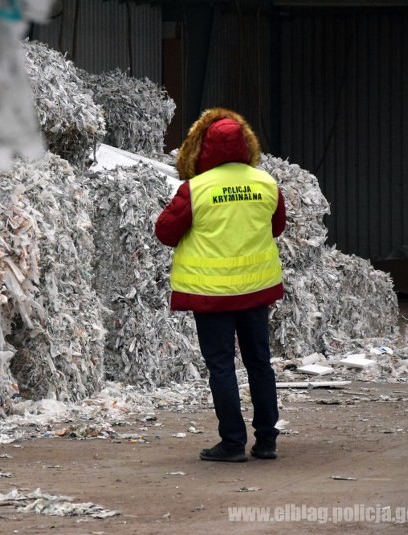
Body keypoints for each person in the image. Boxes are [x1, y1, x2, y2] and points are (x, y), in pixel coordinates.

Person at [155, 108, 286, 462]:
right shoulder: (267, 184)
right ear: (246, 146)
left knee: (222, 366)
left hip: (211, 296)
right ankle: (267, 440)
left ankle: (232, 443)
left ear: (204, 148)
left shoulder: (196, 189)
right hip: (256, 291)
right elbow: (276, 228)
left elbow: (165, 232)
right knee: (260, 363)